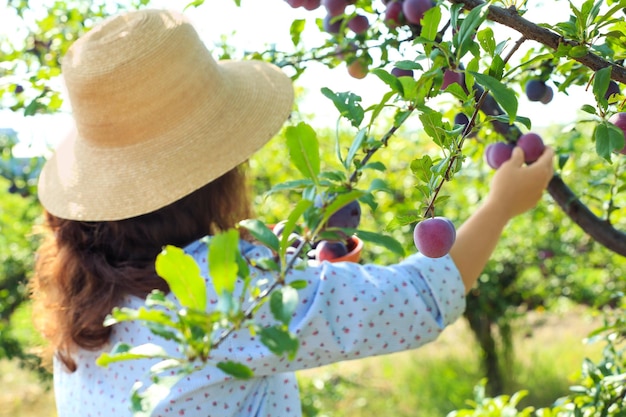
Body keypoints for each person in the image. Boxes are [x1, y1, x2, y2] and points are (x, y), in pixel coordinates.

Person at [30, 8, 555, 417]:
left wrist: (285, 273)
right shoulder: (229, 284)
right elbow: (418, 301)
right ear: (215, 177)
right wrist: (502, 204)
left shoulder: (83, 302)